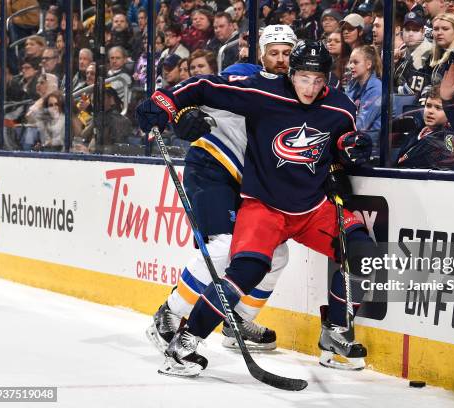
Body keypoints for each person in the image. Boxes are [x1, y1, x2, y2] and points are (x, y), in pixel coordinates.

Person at [137, 40, 374, 377]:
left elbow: (340, 143)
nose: (310, 87)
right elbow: (204, 86)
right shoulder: (264, 90)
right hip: (264, 208)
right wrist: (166, 102)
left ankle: (334, 333)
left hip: (312, 208)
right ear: (291, 73)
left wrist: (348, 151)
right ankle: (185, 343)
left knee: (365, 253)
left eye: (318, 80)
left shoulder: (341, 107)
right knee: (245, 269)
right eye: (304, 78)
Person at [145, 26, 300, 354]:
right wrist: (183, 115)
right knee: (223, 248)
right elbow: (201, 92)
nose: (281, 59)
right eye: (274, 52)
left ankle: (238, 320)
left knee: (277, 254)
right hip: (212, 169)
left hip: (252, 186)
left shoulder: (302, 91)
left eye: (287, 53)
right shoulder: (244, 74)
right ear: (262, 54)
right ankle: (169, 314)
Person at [396, 85, 454, 169]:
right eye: (428, 105)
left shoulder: (445, 139)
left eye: (438, 108)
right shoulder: (417, 131)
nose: (430, 111)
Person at [346, 45, 382, 163]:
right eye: (350, 62)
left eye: (356, 62)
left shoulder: (377, 88)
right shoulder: (353, 85)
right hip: (356, 141)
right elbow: (344, 111)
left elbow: (362, 125)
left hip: (374, 147)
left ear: (368, 64)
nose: (351, 66)